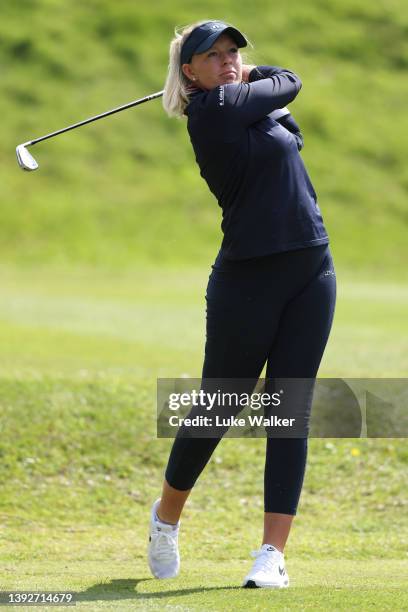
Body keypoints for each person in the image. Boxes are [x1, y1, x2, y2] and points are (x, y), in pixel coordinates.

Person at [147, 19, 336, 588]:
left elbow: (282, 111)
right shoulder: (212, 113)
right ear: (190, 72)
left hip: (312, 267)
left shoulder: (246, 106)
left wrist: (248, 78)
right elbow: (292, 79)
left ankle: (271, 555)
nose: (229, 60)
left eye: (234, 52)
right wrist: (254, 76)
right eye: (215, 54)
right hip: (247, 278)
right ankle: (165, 520)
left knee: (289, 410)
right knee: (219, 407)